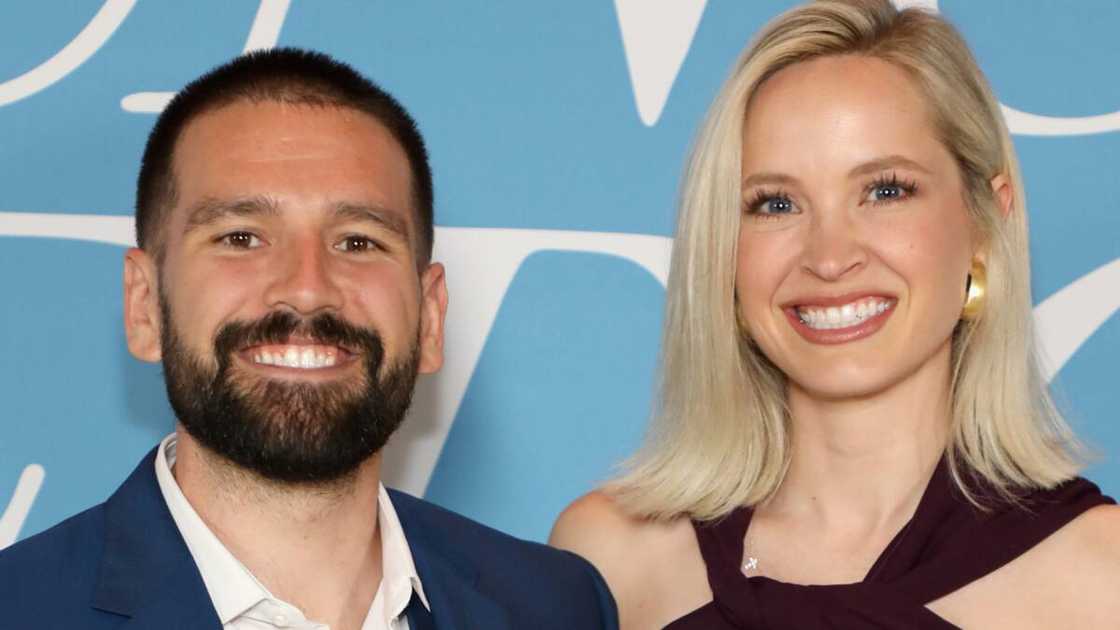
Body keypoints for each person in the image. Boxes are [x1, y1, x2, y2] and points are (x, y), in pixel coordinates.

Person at [0, 48, 617, 630]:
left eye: (358, 241)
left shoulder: (557, 606)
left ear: (430, 317)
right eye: (241, 237)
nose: (306, 290)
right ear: (144, 306)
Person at [550, 1, 1120, 628]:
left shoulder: (1101, 575)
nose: (829, 257)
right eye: (775, 204)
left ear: (987, 221)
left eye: (885, 191)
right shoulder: (607, 563)